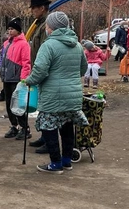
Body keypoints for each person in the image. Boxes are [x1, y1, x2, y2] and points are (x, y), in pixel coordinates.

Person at [24, 11, 88, 174]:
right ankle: (67, 161)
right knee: (67, 127)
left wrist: (29, 81)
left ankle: (55, 164)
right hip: (73, 95)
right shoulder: (78, 45)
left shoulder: (48, 45)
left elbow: (40, 70)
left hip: (53, 96)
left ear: (51, 28)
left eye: (47, 25)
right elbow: (83, 68)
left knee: (49, 128)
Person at [0, 18, 31, 140]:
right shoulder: (7, 43)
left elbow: (26, 63)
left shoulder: (24, 44)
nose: (10, 31)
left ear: (18, 30)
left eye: (12, 29)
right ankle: (14, 125)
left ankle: (25, 127)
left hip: (17, 79)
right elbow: (3, 58)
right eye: (9, 29)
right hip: (7, 77)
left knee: (18, 104)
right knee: (8, 103)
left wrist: (24, 79)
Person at [27, 0, 52, 152]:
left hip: (44, 73)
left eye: (34, 9)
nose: (32, 12)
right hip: (39, 70)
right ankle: (44, 136)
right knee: (42, 107)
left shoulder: (46, 26)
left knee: (47, 108)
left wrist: (38, 73)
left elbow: (44, 51)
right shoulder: (39, 24)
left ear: (42, 8)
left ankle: (49, 141)